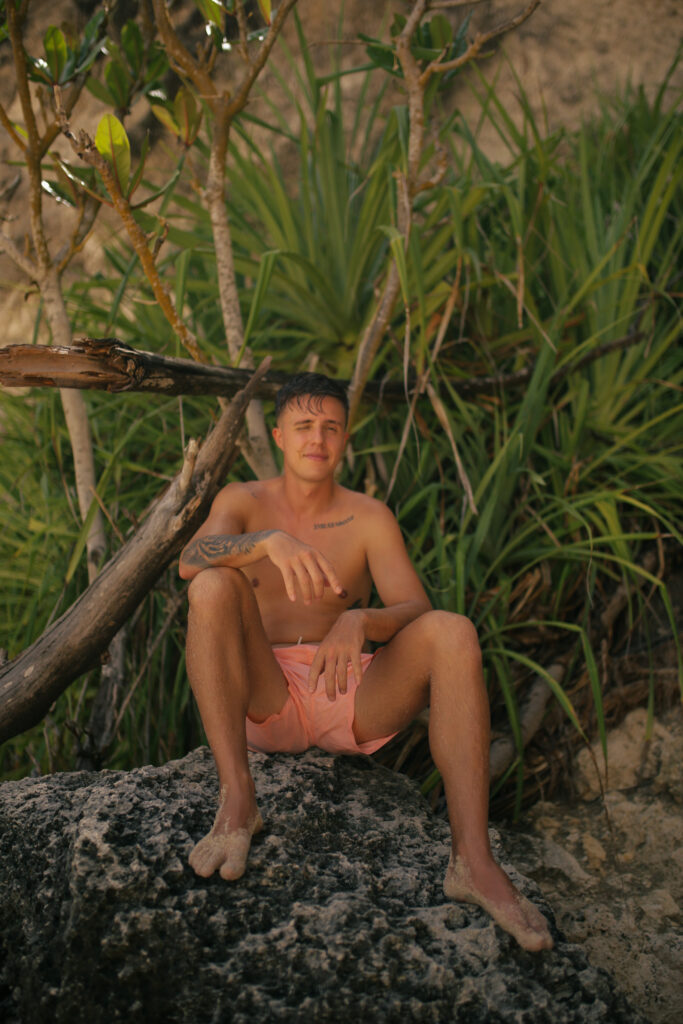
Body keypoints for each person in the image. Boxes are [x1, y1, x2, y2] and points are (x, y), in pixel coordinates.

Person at [178, 372, 553, 952]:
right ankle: (238, 801)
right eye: (304, 426)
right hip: (264, 693)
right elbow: (191, 558)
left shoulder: (368, 516)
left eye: (331, 427)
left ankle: (472, 861)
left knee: (452, 632)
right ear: (279, 436)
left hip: (347, 693)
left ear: (346, 439)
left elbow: (415, 608)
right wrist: (268, 542)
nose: (317, 439)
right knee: (210, 587)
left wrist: (359, 620)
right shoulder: (243, 501)